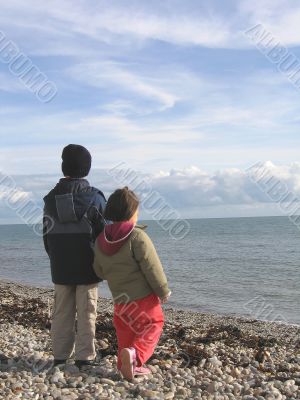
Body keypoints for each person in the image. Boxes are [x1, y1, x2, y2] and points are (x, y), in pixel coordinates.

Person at [93, 187, 171, 380]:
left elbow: (99, 270)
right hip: (144, 298)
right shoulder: (137, 237)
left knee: (125, 332)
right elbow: (152, 267)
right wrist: (163, 290)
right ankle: (135, 360)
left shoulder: (101, 239)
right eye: (137, 211)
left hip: (120, 299)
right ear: (131, 213)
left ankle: (124, 365)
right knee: (153, 324)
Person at [43, 144, 106, 368]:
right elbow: (103, 236)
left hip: (60, 266)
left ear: (63, 167)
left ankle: (60, 356)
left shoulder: (50, 200)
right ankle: (84, 357)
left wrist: (56, 257)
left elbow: (46, 236)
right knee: (87, 311)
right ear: (87, 169)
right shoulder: (96, 198)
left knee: (61, 312)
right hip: (88, 266)